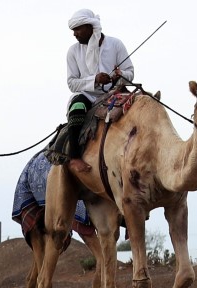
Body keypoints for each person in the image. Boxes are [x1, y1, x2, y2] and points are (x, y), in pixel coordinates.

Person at [65, 9, 134, 173]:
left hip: (115, 94)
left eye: (78, 29)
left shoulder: (115, 44)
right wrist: (95, 80)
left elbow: (130, 73)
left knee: (142, 108)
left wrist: (120, 75)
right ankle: (74, 157)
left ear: (91, 27)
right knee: (77, 107)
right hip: (88, 96)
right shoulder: (73, 51)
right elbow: (72, 83)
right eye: (73, 30)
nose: (75, 34)